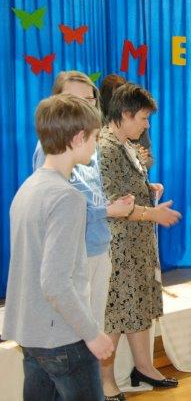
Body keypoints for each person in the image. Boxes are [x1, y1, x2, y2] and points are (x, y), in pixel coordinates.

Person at [3, 95, 114, 400]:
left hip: (32, 334)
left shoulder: (28, 188)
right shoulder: (68, 197)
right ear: (78, 138)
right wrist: (92, 333)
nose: (96, 145)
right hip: (62, 337)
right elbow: (55, 282)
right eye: (94, 138)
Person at [32, 71, 134, 336]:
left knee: (94, 326)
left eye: (90, 99)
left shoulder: (91, 145)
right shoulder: (49, 149)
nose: (84, 106)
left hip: (98, 246)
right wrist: (108, 210)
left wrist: (110, 204)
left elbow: (89, 195)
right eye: (74, 99)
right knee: (72, 333)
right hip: (73, 253)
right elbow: (55, 209)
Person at [99, 83, 182, 398]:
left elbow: (130, 186)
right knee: (115, 314)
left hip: (137, 243)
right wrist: (152, 213)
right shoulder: (106, 147)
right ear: (125, 114)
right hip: (118, 247)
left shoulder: (127, 144)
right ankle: (105, 381)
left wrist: (150, 188)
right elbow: (112, 204)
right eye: (143, 118)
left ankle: (144, 367)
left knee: (138, 306)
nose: (146, 125)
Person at [100, 74, 154, 168]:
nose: (147, 125)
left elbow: (149, 159)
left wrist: (143, 160)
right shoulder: (98, 130)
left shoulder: (140, 125)